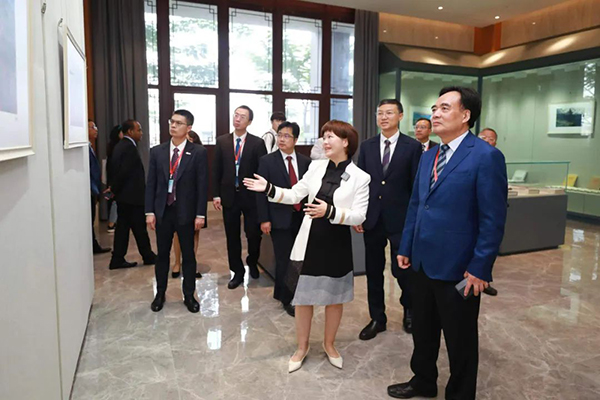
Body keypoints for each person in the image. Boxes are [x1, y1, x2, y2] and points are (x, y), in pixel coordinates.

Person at [388, 87, 507, 399]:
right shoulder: (429, 156)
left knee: (460, 339)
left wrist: (480, 267)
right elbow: (417, 205)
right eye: (434, 108)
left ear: (465, 115)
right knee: (423, 331)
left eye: (444, 108)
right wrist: (406, 246)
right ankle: (423, 381)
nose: (435, 114)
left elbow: (492, 219)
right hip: (421, 262)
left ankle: (460, 394)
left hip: (459, 267)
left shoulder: (486, 157)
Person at [244, 120, 370, 373]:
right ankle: (301, 348)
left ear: (346, 142)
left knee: (334, 300)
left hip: (336, 245)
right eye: (324, 136)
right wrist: (268, 188)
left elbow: (359, 215)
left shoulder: (361, 177)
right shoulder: (316, 166)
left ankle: (329, 345)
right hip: (308, 241)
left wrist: (330, 211)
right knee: (303, 299)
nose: (325, 141)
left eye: (330, 137)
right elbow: (294, 194)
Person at [354, 99, 421, 340]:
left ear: (400, 116)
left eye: (389, 113)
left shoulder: (412, 147)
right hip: (372, 218)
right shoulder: (367, 146)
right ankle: (377, 318)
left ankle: (409, 311)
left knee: (403, 271)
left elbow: (416, 187)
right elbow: (361, 183)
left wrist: (414, 221)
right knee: (373, 271)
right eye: (380, 113)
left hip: (400, 220)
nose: (383, 117)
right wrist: (359, 213)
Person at [145, 110, 208, 313]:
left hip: (186, 212)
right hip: (163, 211)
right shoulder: (157, 151)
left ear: (188, 128)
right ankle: (160, 293)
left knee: (188, 255)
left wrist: (200, 214)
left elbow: (202, 185)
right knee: (162, 255)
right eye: (172, 121)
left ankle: (189, 295)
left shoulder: (198, 152)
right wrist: (149, 211)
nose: (173, 125)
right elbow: (151, 184)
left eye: (179, 123)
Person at [256, 121, 311, 317]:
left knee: (299, 258)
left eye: (287, 136)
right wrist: (264, 219)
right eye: (280, 135)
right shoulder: (267, 161)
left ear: (296, 139)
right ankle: (287, 298)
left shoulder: (305, 162)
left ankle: (291, 291)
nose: (282, 139)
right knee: (284, 259)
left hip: (301, 217)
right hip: (279, 217)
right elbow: (261, 193)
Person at [212, 106, 267, 289]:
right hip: (229, 195)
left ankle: (252, 261)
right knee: (232, 235)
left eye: (242, 117)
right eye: (236, 115)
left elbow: (262, 171)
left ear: (249, 122)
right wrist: (216, 194)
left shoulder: (257, 143)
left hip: (250, 196)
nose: (238, 119)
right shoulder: (222, 141)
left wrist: (261, 195)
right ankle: (237, 271)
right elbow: (216, 169)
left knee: (253, 234)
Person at [108, 120, 156, 270]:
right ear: (130, 131)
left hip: (125, 196)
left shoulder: (122, 145)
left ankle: (119, 258)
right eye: (139, 130)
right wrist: (114, 189)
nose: (141, 133)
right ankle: (147, 256)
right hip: (131, 197)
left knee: (125, 228)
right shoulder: (128, 147)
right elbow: (124, 172)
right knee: (138, 227)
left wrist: (114, 189)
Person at [172, 130, 204, 279]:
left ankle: (192, 263)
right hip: (176, 199)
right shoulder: (173, 154)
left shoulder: (198, 154)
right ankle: (177, 262)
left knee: (194, 233)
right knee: (177, 233)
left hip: (194, 200)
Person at [478, 127, 501, 297]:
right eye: (483, 137)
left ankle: (484, 279)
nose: (486, 141)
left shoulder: (494, 157)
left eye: (490, 139)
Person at [88, 120, 110, 254]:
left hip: (93, 188)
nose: (96, 129)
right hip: (89, 188)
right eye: (92, 127)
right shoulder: (85, 148)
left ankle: (94, 245)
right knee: (89, 221)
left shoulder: (90, 147)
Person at [106, 125, 123, 233]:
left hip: (114, 178)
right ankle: (111, 223)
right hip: (115, 178)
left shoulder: (114, 146)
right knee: (115, 201)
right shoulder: (116, 148)